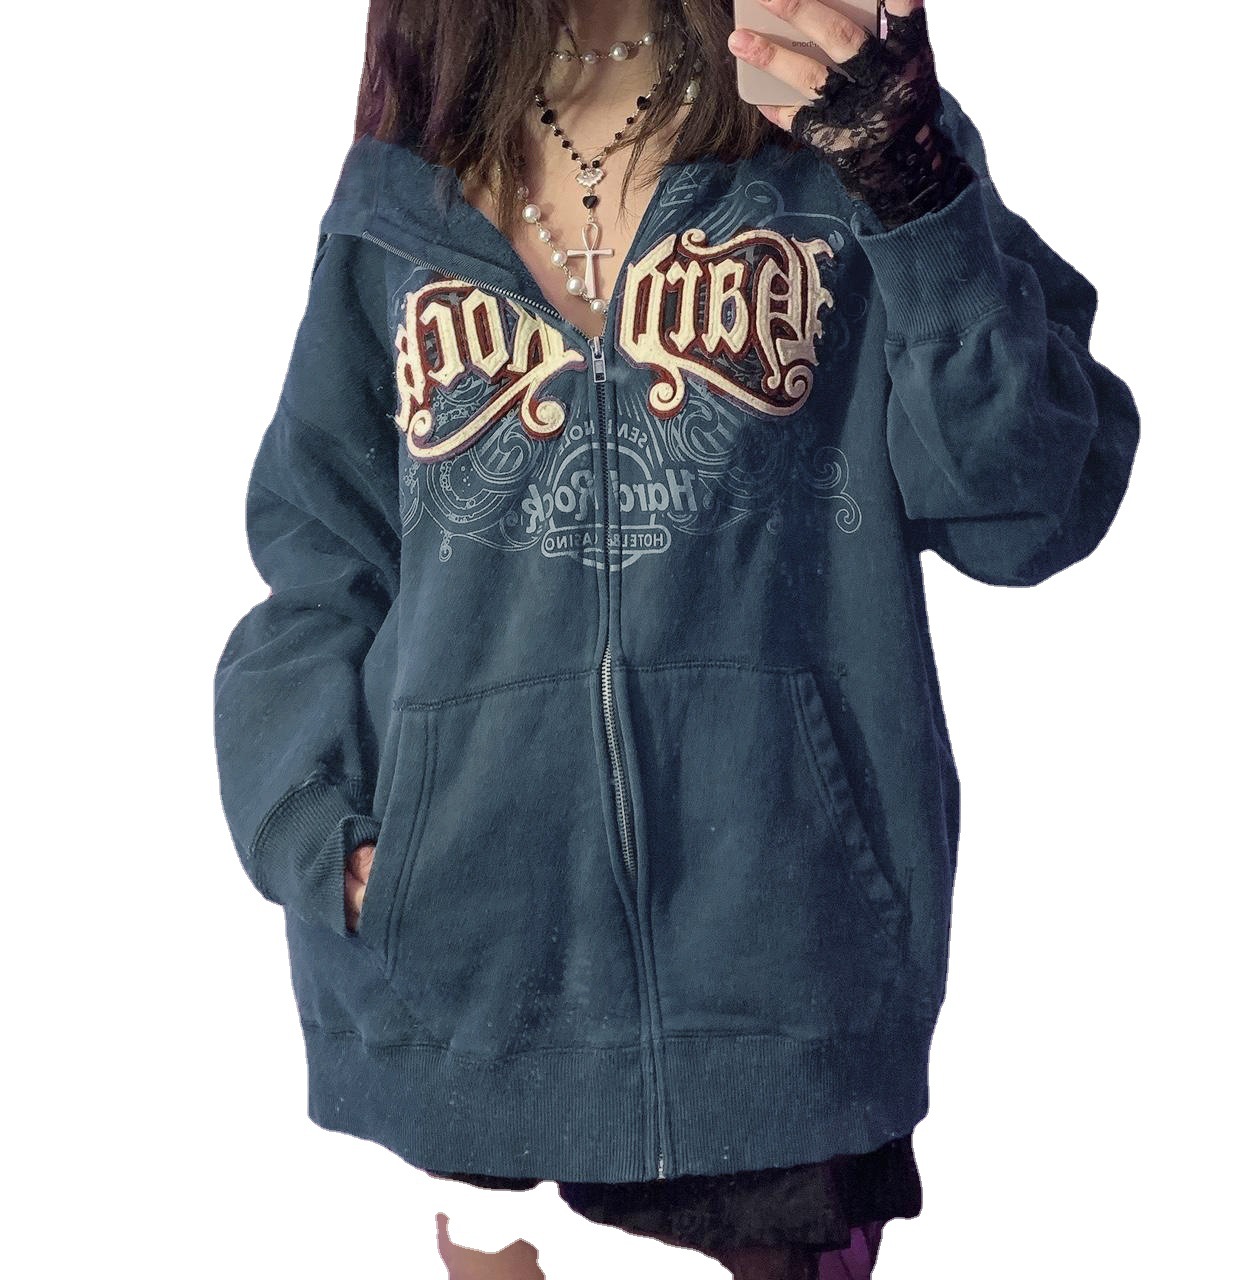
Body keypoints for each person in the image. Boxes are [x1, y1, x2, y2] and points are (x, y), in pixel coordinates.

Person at [212, 0, 1141, 1276]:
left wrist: (912, 184)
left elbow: (1029, 505)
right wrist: (320, 830)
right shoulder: (404, 183)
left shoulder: (828, 131)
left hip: (779, 1011)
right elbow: (321, 559)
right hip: (467, 1017)